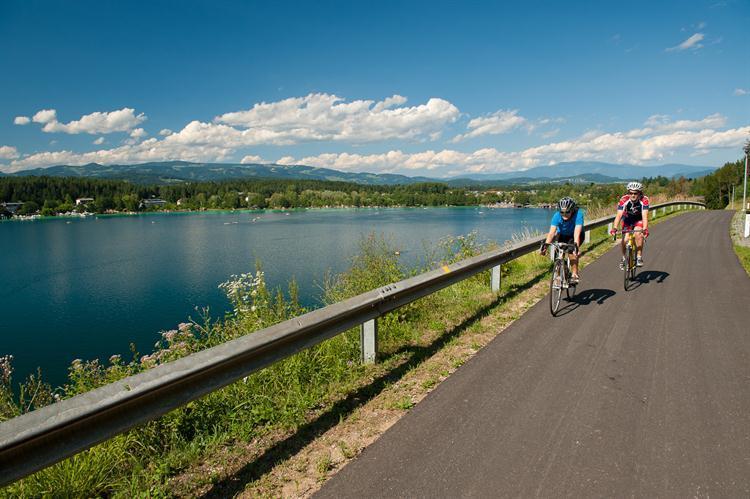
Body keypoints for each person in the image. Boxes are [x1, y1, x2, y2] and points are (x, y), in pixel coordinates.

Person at [540, 197, 584, 284]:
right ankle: (559, 274)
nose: (564, 214)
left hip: (574, 235)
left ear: (572, 210)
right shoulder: (556, 216)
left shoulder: (578, 214)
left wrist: (576, 247)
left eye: (567, 212)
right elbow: (551, 233)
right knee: (559, 253)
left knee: (572, 252)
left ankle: (574, 274)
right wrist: (545, 246)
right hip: (562, 235)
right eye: (562, 212)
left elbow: (577, 233)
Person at [609, 181, 650, 269]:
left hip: (639, 219)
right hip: (628, 219)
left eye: (635, 193)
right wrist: (615, 228)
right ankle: (624, 258)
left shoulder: (644, 200)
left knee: (638, 234)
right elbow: (619, 215)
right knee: (625, 239)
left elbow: (644, 216)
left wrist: (645, 229)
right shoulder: (624, 199)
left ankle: (639, 257)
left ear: (640, 193)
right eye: (630, 193)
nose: (633, 195)